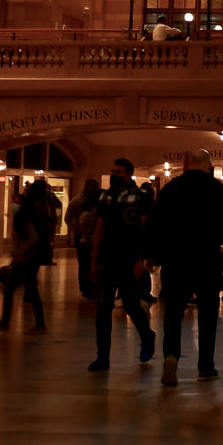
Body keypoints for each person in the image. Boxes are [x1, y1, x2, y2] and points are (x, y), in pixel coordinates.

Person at [145, 150, 223, 386]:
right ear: (209, 166)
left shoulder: (171, 189)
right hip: (208, 262)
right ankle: (206, 367)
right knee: (208, 315)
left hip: (176, 261)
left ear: (187, 164)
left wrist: (151, 255)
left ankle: (171, 356)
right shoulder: (218, 191)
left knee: (173, 313)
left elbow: (156, 223)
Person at [89, 158, 156, 373]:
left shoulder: (141, 197)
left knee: (131, 304)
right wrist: (94, 259)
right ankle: (103, 355)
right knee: (103, 308)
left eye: (117, 171)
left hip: (129, 258)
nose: (113, 174)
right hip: (108, 258)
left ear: (128, 173)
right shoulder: (106, 197)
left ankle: (147, 336)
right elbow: (100, 228)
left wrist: (142, 259)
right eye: (112, 170)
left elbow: (146, 228)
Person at [0, 179, 52, 334]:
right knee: (15, 289)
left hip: (27, 258)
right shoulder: (40, 208)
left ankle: (36, 323)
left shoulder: (28, 214)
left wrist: (20, 251)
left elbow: (33, 237)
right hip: (27, 257)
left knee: (25, 290)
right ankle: (7, 322)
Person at [65, 179, 100, 300]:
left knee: (89, 262)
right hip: (82, 235)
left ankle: (91, 287)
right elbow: (68, 218)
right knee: (84, 263)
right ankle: (85, 287)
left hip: (90, 235)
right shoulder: (77, 201)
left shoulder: (94, 201)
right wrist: (76, 230)